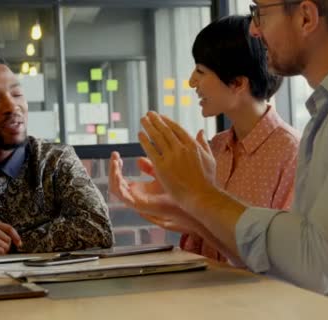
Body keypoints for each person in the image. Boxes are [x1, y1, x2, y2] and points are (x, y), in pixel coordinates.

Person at [113, 1, 328, 319]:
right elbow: (293, 258)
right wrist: (194, 205)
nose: (253, 29)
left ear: (305, 17)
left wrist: (200, 195)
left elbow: (315, 264)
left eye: (260, 13)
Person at [109, 15, 300, 263]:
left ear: (238, 83)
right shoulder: (216, 147)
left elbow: (285, 260)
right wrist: (161, 200)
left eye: (200, 71)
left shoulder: (292, 154)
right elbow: (202, 240)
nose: (191, 82)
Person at [0, 51, 113, 255]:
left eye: (16, 94)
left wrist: (9, 244)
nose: (11, 106)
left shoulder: (55, 161)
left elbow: (97, 228)